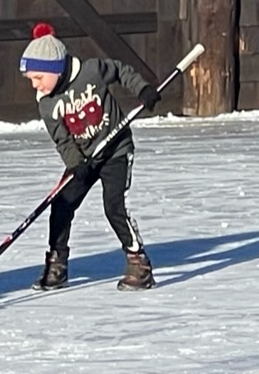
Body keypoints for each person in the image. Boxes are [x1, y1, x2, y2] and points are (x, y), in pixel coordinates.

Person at [21, 23, 161, 291]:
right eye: (31, 79)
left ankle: (138, 264)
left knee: (113, 206)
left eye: (38, 77)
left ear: (55, 68)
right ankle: (57, 265)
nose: (35, 84)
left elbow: (121, 71)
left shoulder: (92, 71)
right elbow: (61, 138)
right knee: (61, 204)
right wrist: (76, 164)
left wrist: (142, 89)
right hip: (84, 159)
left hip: (116, 151)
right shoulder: (46, 101)